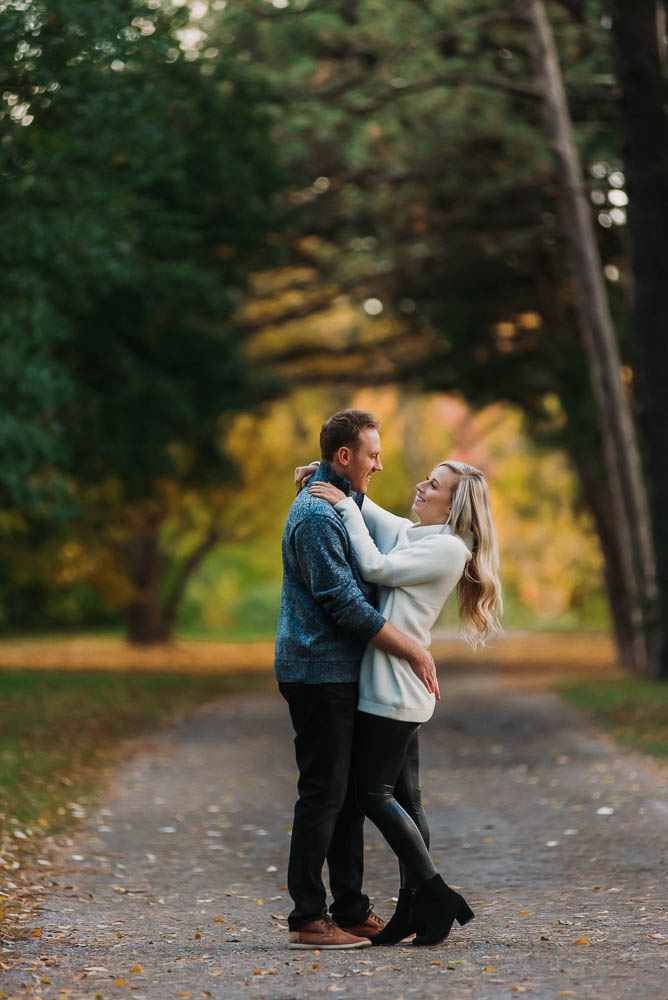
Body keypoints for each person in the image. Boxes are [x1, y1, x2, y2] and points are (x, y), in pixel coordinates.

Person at [301, 458, 502, 946]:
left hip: (392, 689)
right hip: (400, 685)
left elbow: (375, 565)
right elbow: (388, 526)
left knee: (373, 794)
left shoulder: (449, 550)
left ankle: (434, 893)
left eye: (433, 485)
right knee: (408, 801)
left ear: (454, 506)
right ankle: (414, 908)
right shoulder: (429, 538)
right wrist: (333, 482)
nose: (420, 485)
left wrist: (345, 505)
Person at [274, 409, 440, 951]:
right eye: (372, 454)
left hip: (339, 671)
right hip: (316, 671)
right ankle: (307, 918)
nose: (380, 462)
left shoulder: (336, 502)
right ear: (345, 456)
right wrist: (411, 648)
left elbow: (366, 516)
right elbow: (344, 604)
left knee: (344, 797)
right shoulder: (317, 517)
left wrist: (322, 476)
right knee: (323, 794)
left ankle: (350, 908)